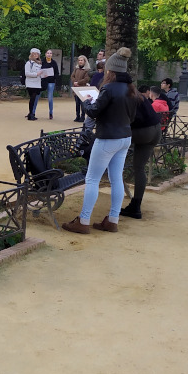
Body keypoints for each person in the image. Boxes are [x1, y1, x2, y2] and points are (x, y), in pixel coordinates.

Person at [62, 47, 137, 234]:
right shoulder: (131, 89)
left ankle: (83, 220)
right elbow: (132, 116)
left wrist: (87, 100)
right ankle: (112, 220)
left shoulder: (109, 88)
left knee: (92, 179)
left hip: (108, 138)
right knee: (116, 178)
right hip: (125, 137)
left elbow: (93, 112)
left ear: (111, 71)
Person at [122, 85, 162, 220]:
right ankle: (136, 206)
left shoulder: (119, 94)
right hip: (156, 130)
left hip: (142, 131)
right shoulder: (136, 93)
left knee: (112, 143)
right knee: (139, 168)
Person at [23, 48, 44, 120]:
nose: (36, 55)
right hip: (31, 83)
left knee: (34, 99)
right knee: (32, 98)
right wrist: (36, 74)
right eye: (34, 54)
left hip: (37, 83)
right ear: (31, 55)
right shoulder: (29, 63)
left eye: (37, 54)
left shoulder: (39, 63)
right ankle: (31, 114)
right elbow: (27, 73)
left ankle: (31, 113)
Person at [70, 55, 91, 122]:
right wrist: (74, 82)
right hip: (76, 89)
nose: (80, 61)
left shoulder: (87, 70)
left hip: (83, 89)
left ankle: (82, 117)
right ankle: (77, 116)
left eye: (81, 60)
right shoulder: (76, 69)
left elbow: (86, 79)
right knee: (77, 104)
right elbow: (72, 76)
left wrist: (78, 82)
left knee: (83, 104)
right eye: (79, 60)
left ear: (85, 61)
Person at [40, 49, 60, 120]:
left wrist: (52, 76)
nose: (49, 54)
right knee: (37, 95)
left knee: (50, 97)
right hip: (43, 81)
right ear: (45, 54)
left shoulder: (54, 63)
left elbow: (57, 73)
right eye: (48, 53)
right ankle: (32, 112)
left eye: (50, 53)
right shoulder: (42, 62)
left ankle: (51, 112)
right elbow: (39, 71)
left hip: (51, 81)